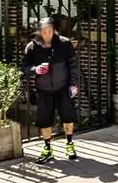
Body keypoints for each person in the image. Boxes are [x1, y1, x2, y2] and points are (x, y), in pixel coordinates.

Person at [20, 16, 80, 161]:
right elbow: (24, 66)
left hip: (63, 87)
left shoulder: (64, 44)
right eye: (44, 31)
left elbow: (73, 65)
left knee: (67, 117)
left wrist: (73, 84)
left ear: (54, 30)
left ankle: (69, 144)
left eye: (50, 31)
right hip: (44, 89)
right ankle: (47, 148)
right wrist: (35, 69)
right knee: (44, 120)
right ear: (39, 32)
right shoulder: (32, 47)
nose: (47, 34)